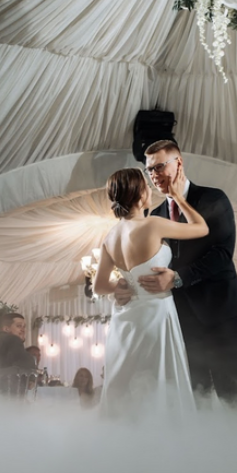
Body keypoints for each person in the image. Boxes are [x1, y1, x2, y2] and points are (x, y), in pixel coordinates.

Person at [114, 140, 237, 401]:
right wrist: (126, 286)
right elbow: (150, 265)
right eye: (149, 170)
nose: (154, 175)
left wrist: (178, 278)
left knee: (234, 391)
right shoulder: (154, 214)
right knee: (194, 392)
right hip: (179, 318)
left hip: (219, 311)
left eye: (159, 167)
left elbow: (222, 253)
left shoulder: (213, 198)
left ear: (179, 163)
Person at [93, 165, 207, 416]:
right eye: (146, 186)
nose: (150, 190)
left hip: (126, 321)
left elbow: (98, 286)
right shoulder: (153, 225)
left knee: (127, 383)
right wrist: (177, 197)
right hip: (156, 314)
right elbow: (201, 228)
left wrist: (121, 286)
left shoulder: (110, 237)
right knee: (158, 381)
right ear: (140, 194)